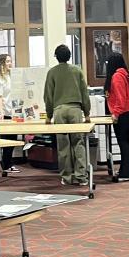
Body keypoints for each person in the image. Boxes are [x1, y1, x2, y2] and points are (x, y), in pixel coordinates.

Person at [43, 44, 90, 187]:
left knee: (63, 145)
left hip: (59, 110)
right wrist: (87, 113)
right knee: (78, 143)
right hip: (75, 109)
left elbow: (48, 96)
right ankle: (81, 176)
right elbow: (84, 93)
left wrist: (48, 116)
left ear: (56, 57)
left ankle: (66, 177)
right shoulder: (77, 71)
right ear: (69, 56)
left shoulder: (52, 72)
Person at [103, 52, 129, 182]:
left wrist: (116, 114)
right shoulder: (124, 74)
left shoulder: (117, 76)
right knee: (126, 141)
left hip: (123, 112)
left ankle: (127, 173)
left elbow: (120, 98)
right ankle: (125, 169)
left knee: (123, 142)